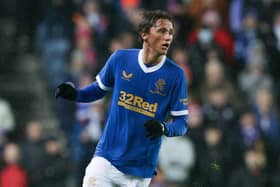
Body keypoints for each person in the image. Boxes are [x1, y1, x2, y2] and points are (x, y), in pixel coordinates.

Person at [56, 10, 188, 187]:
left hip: (139, 172)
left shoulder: (176, 75)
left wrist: (163, 128)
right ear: (145, 34)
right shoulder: (121, 59)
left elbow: (181, 124)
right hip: (106, 159)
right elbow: (98, 90)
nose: (167, 37)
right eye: (162, 31)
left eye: (170, 32)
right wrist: (76, 94)